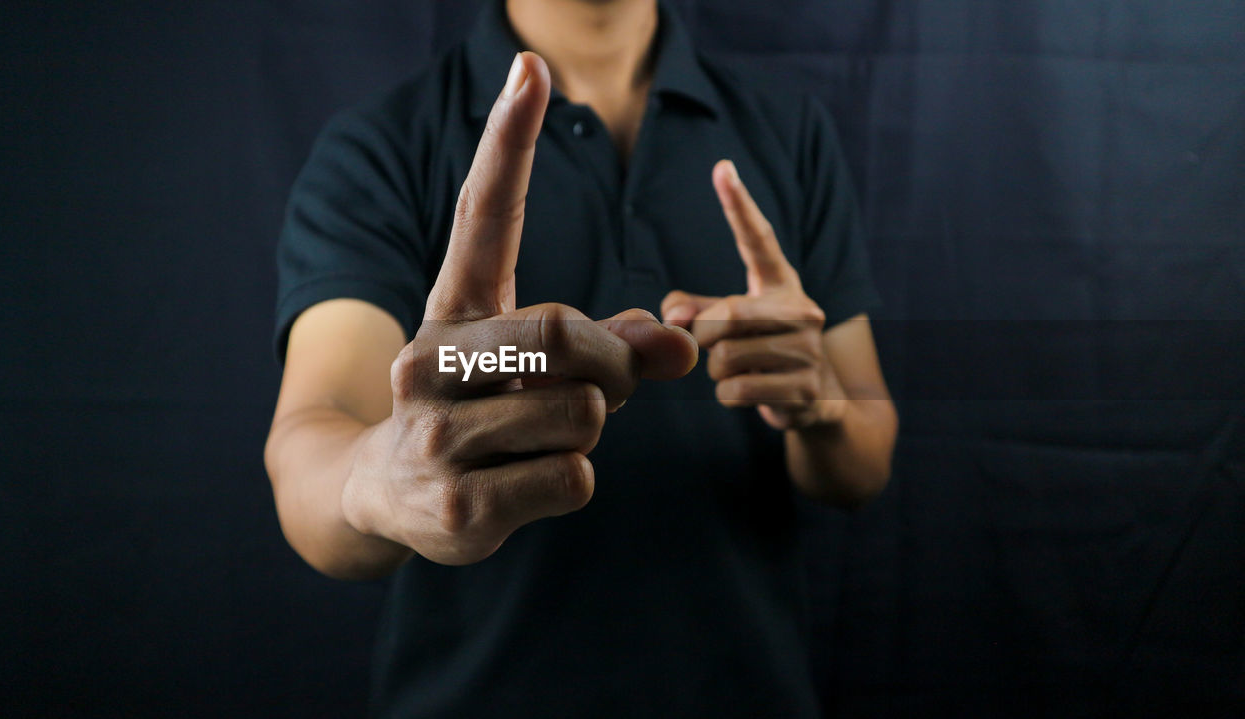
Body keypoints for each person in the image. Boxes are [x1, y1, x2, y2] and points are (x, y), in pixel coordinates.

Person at [264, 0, 898, 715]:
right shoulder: (381, 146)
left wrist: (819, 404)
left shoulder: (789, 130)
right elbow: (313, 439)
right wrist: (384, 476)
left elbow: (864, 462)